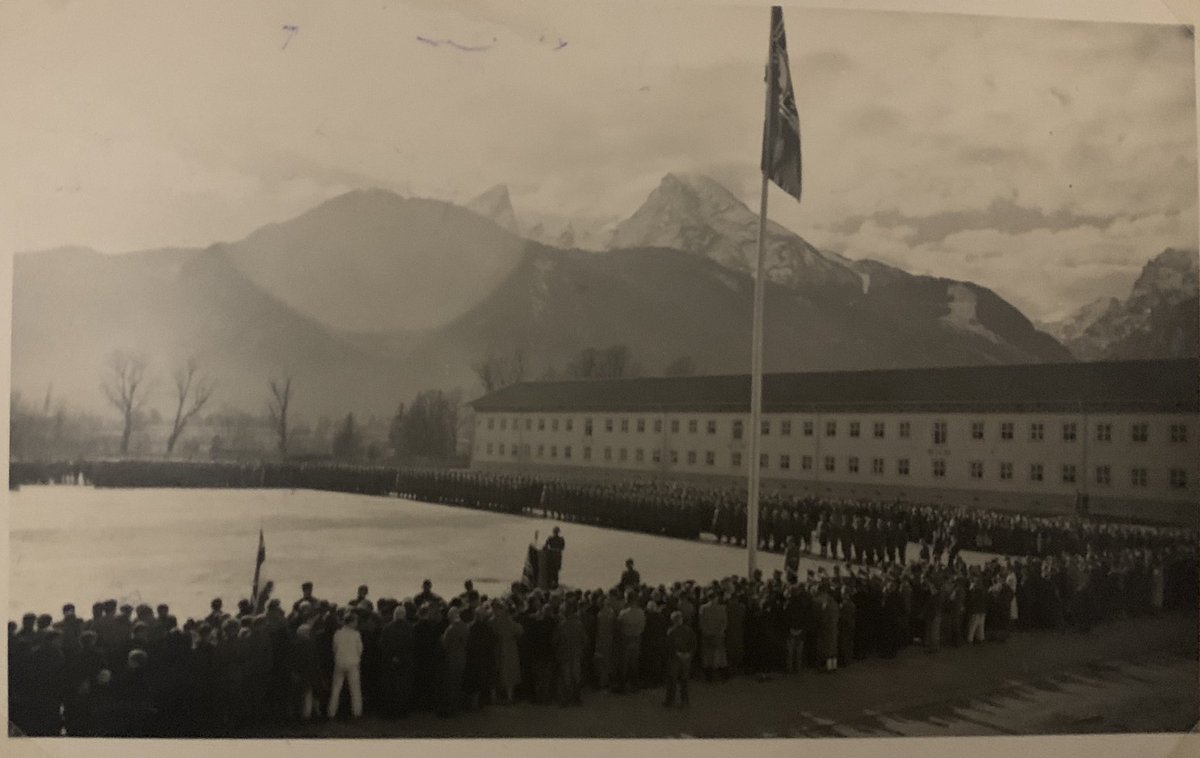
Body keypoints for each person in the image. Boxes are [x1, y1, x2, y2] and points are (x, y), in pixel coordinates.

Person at [328, 613, 364, 719]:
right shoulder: (356, 634)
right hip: (352, 662)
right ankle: (357, 712)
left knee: (336, 688)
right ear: (352, 622)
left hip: (340, 662)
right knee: (355, 689)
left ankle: (331, 712)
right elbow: (360, 649)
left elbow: (334, 648)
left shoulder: (337, 633)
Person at [663, 611, 696, 708]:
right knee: (684, 680)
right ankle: (684, 701)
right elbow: (694, 643)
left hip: (674, 658)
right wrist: (689, 653)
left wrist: (677, 653)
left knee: (672, 680)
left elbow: (669, 646)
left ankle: (670, 701)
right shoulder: (688, 630)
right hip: (686, 659)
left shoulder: (671, 631)